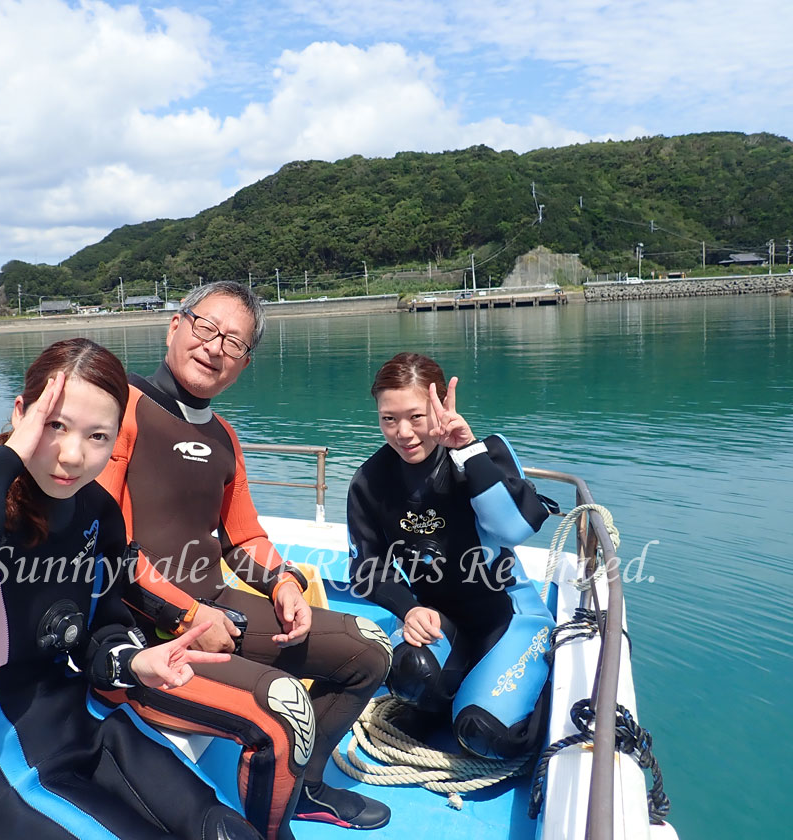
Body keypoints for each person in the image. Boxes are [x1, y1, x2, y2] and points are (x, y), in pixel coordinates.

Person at [0, 338, 262, 840]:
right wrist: (10, 459)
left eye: (98, 436)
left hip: (81, 718)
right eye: (54, 425)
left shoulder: (96, 514)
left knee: (224, 829)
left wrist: (135, 662)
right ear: (22, 414)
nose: (73, 456)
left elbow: (100, 629)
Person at [97, 282, 393, 840]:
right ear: (175, 327)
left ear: (245, 362)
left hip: (216, 610)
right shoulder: (122, 410)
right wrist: (189, 618)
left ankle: (302, 790)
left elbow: (242, 537)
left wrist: (283, 584)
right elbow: (108, 549)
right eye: (206, 328)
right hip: (143, 636)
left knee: (370, 650)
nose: (215, 347)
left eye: (234, 342)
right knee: (285, 708)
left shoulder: (224, 437)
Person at [346, 352, 554, 759]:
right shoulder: (371, 481)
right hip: (442, 621)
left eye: (416, 417)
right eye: (389, 419)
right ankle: (450, 696)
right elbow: (366, 569)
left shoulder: (484, 455)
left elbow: (515, 529)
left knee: (485, 735)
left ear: (440, 405)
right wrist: (407, 609)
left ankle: (505, 691)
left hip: (508, 621)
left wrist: (467, 451)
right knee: (408, 674)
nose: (403, 433)